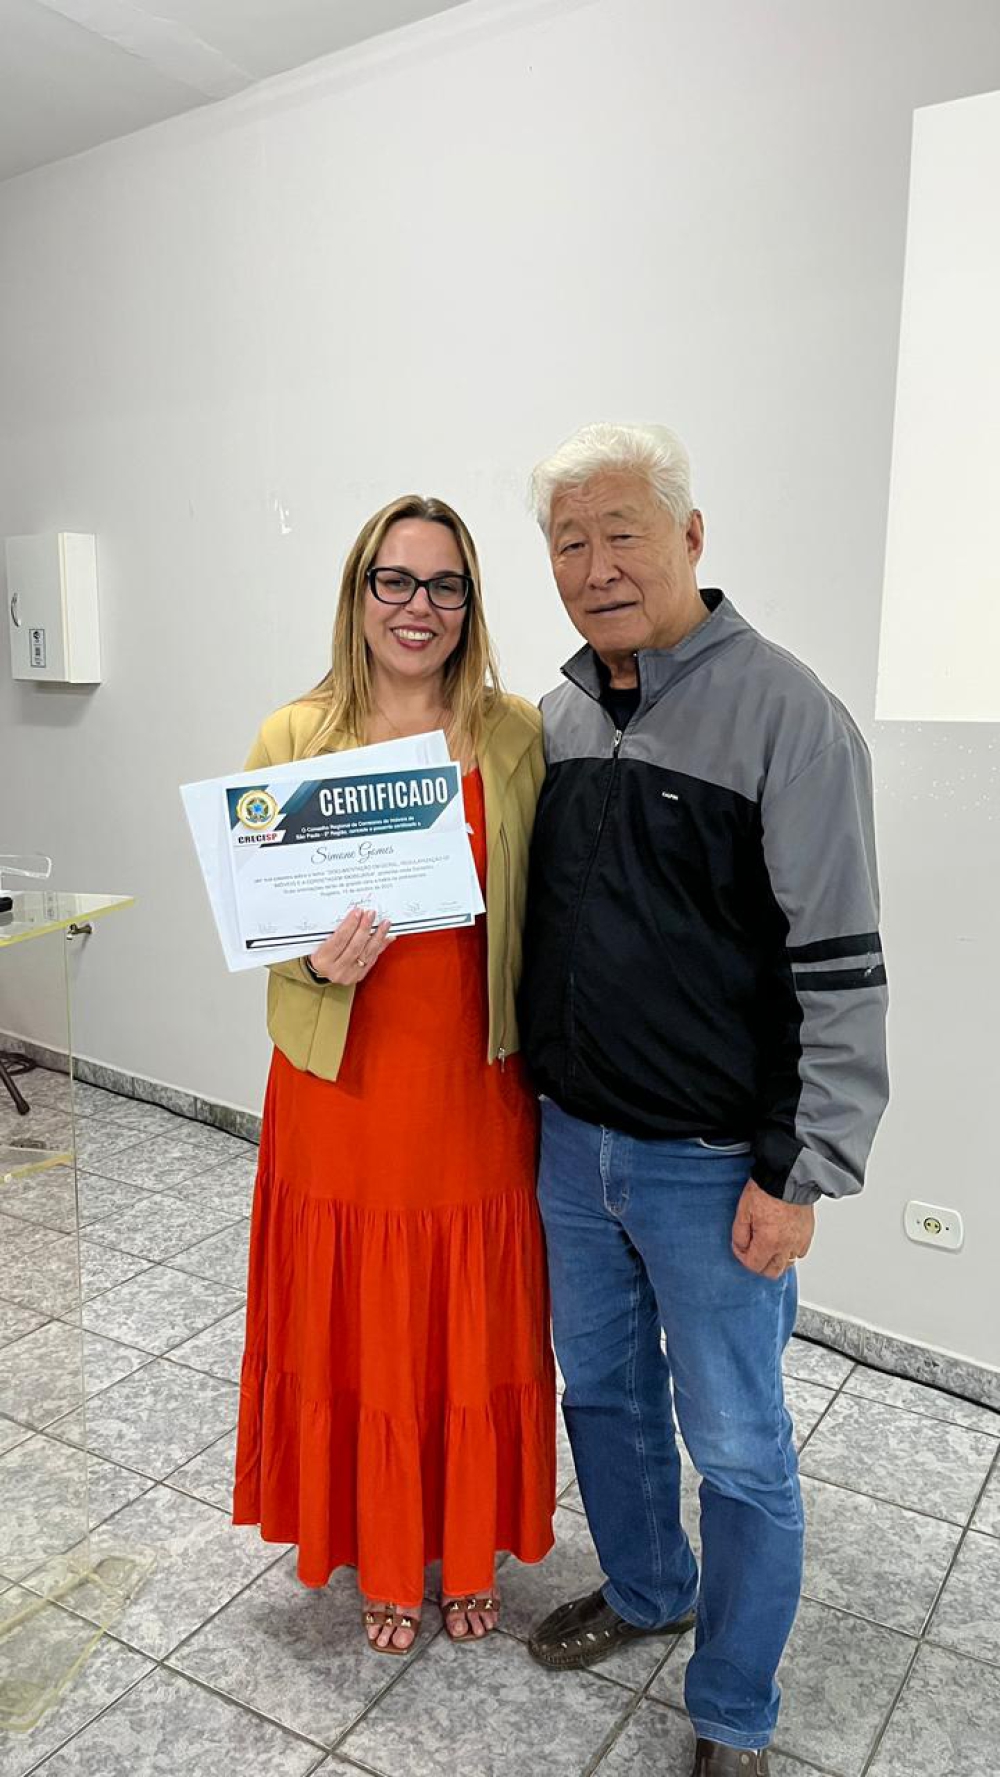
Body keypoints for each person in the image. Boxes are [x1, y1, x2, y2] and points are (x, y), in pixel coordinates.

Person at [518, 424, 889, 1775]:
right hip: (572, 1149)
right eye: (569, 541)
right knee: (605, 1395)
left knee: (736, 1445)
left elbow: (838, 966)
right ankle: (646, 1587)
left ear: (689, 536)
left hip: (713, 1164)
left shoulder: (789, 716)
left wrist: (802, 1173)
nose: (597, 565)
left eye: (622, 532)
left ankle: (732, 1706)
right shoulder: (558, 720)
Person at [233, 494, 556, 1654]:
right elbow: (260, 917)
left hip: (475, 1083)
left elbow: (552, 902)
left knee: (469, 1322)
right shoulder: (292, 735)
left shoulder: (514, 732)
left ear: (470, 603)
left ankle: (464, 1547)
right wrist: (311, 961)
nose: (419, 607)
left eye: (445, 585)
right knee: (360, 1323)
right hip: (343, 1083)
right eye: (396, 580)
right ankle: (378, 1550)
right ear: (359, 591)